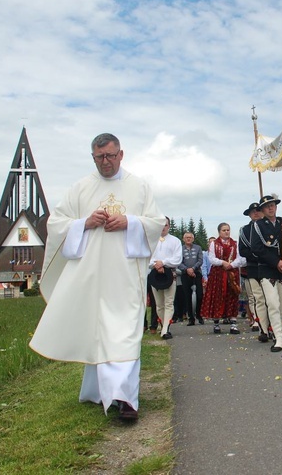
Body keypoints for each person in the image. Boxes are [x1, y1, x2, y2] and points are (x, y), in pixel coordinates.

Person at [29, 133, 164, 421]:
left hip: (126, 276)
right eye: (99, 157)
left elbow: (157, 223)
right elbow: (56, 224)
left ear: (121, 154)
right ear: (93, 157)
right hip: (92, 276)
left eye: (110, 156)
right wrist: (84, 223)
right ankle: (98, 391)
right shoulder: (81, 188)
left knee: (124, 332)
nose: (106, 162)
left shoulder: (139, 187)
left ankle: (126, 400)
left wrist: (130, 222)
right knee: (98, 332)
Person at [249, 194, 282, 352]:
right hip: (267, 269)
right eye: (267, 206)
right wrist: (276, 262)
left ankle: (280, 333)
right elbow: (256, 248)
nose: (271, 208)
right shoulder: (258, 225)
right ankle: (278, 337)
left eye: (273, 205)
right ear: (262, 210)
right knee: (272, 303)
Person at [202, 223, 244, 334]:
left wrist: (231, 265)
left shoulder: (235, 243)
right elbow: (211, 258)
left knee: (232, 296)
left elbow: (240, 258)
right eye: (224, 230)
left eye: (228, 230)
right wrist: (222, 262)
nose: (226, 232)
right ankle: (216, 323)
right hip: (218, 273)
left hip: (232, 273)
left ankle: (233, 323)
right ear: (219, 232)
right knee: (217, 296)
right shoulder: (214, 244)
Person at [147, 217, 183, 339]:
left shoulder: (175, 241)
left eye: (166, 225)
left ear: (169, 226)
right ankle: (163, 325)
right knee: (159, 304)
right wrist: (156, 264)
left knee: (168, 302)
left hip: (169, 274)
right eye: (161, 225)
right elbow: (147, 257)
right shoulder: (150, 240)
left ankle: (166, 329)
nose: (163, 227)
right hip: (155, 275)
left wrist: (163, 262)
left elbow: (177, 259)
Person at [238, 202, 264, 332]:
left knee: (269, 297)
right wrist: (258, 256)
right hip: (252, 267)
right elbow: (243, 251)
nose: (256, 212)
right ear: (249, 214)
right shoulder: (244, 230)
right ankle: (256, 319)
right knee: (254, 296)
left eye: (258, 210)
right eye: (253, 211)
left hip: (268, 267)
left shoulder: (267, 227)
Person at [178, 232, 204, 326]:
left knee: (200, 295)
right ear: (183, 239)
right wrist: (186, 269)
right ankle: (191, 318)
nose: (188, 239)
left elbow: (200, 260)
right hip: (185, 274)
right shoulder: (179, 249)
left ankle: (199, 315)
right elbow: (178, 262)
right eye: (186, 237)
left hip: (197, 273)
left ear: (193, 239)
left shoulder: (198, 248)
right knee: (187, 296)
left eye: (190, 237)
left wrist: (193, 269)